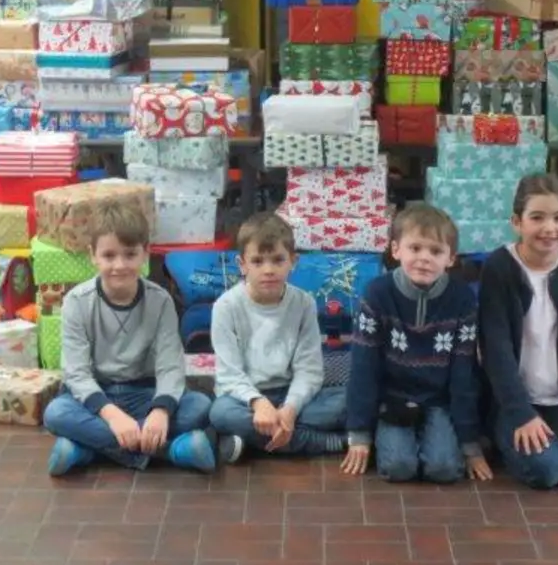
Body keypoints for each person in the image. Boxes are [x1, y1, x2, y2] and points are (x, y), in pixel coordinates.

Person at [43, 199, 218, 475]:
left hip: (146, 393)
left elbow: (170, 365)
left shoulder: (160, 300)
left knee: (201, 406)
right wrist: (112, 416)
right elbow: (76, 373)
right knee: (55, 413)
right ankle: (171, 451)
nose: (120, 265)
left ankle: (85, 449)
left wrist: (160, 412)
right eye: (109, 255)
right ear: (92, 255)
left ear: (145, 253)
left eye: (130, 254)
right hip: (98, 396)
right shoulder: (77, 301)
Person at [478, 173, 558, 489]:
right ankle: (503, 435)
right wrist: (520, 413)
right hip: (517, 400)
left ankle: (553, 440)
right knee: (546, 471)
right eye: (537, 217)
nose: (549, 228)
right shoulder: (499, 268)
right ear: (517, 222)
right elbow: (496, 351)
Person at [343, 203, 490, 484]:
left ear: (451, 258)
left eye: (436, 251)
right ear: (395, 250)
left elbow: (464, 374)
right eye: (415, 248)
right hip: (393, 399)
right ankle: (380, 435)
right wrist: (359, 434)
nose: (424, 258)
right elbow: (364, 367)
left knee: (445, 469)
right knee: (399, 467)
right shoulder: (377, 294)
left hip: (439, 401)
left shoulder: (462, 301)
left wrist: (470, 445)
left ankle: (436, 437)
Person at [208, 214, 347, 463]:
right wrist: (258, 403)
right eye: (258, 261)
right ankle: (323, 442)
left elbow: (309, 370)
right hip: (244, 400)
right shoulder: (225, 306)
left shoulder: (303, 303)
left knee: (346, 402)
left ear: (293, 261)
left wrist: (290, 409)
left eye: (278, 260)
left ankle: (249, 441)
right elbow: (229, 374)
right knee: (219, 412)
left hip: (289, 394)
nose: (268, 270)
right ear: (242, 265)